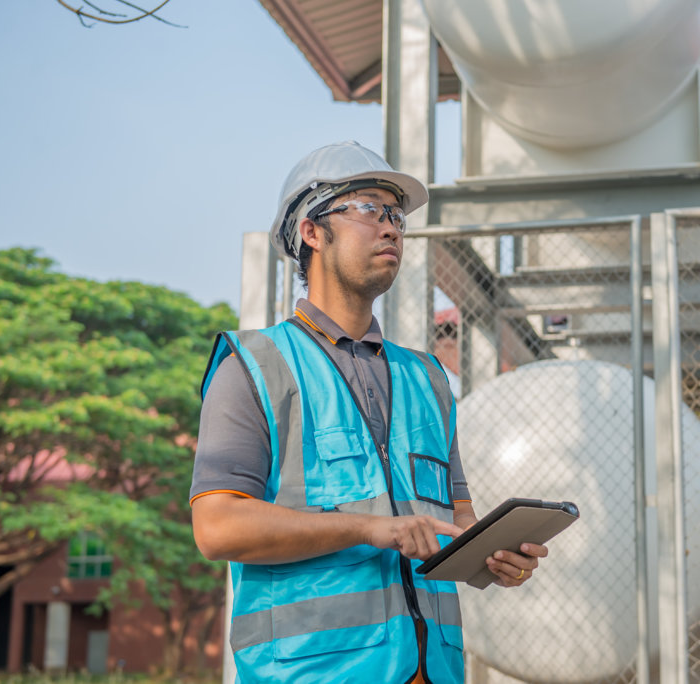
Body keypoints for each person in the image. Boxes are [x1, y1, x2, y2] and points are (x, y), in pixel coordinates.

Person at [189, 141, 548, 684]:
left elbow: (457, 521)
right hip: (314, 672)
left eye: (396, 215)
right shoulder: (254, 367)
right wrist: (370, 529)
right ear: (311, 230)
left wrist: (494, 558)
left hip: (435, 671)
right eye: (368, 209)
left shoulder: (427, 379)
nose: (391, 228)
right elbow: (217, 526)